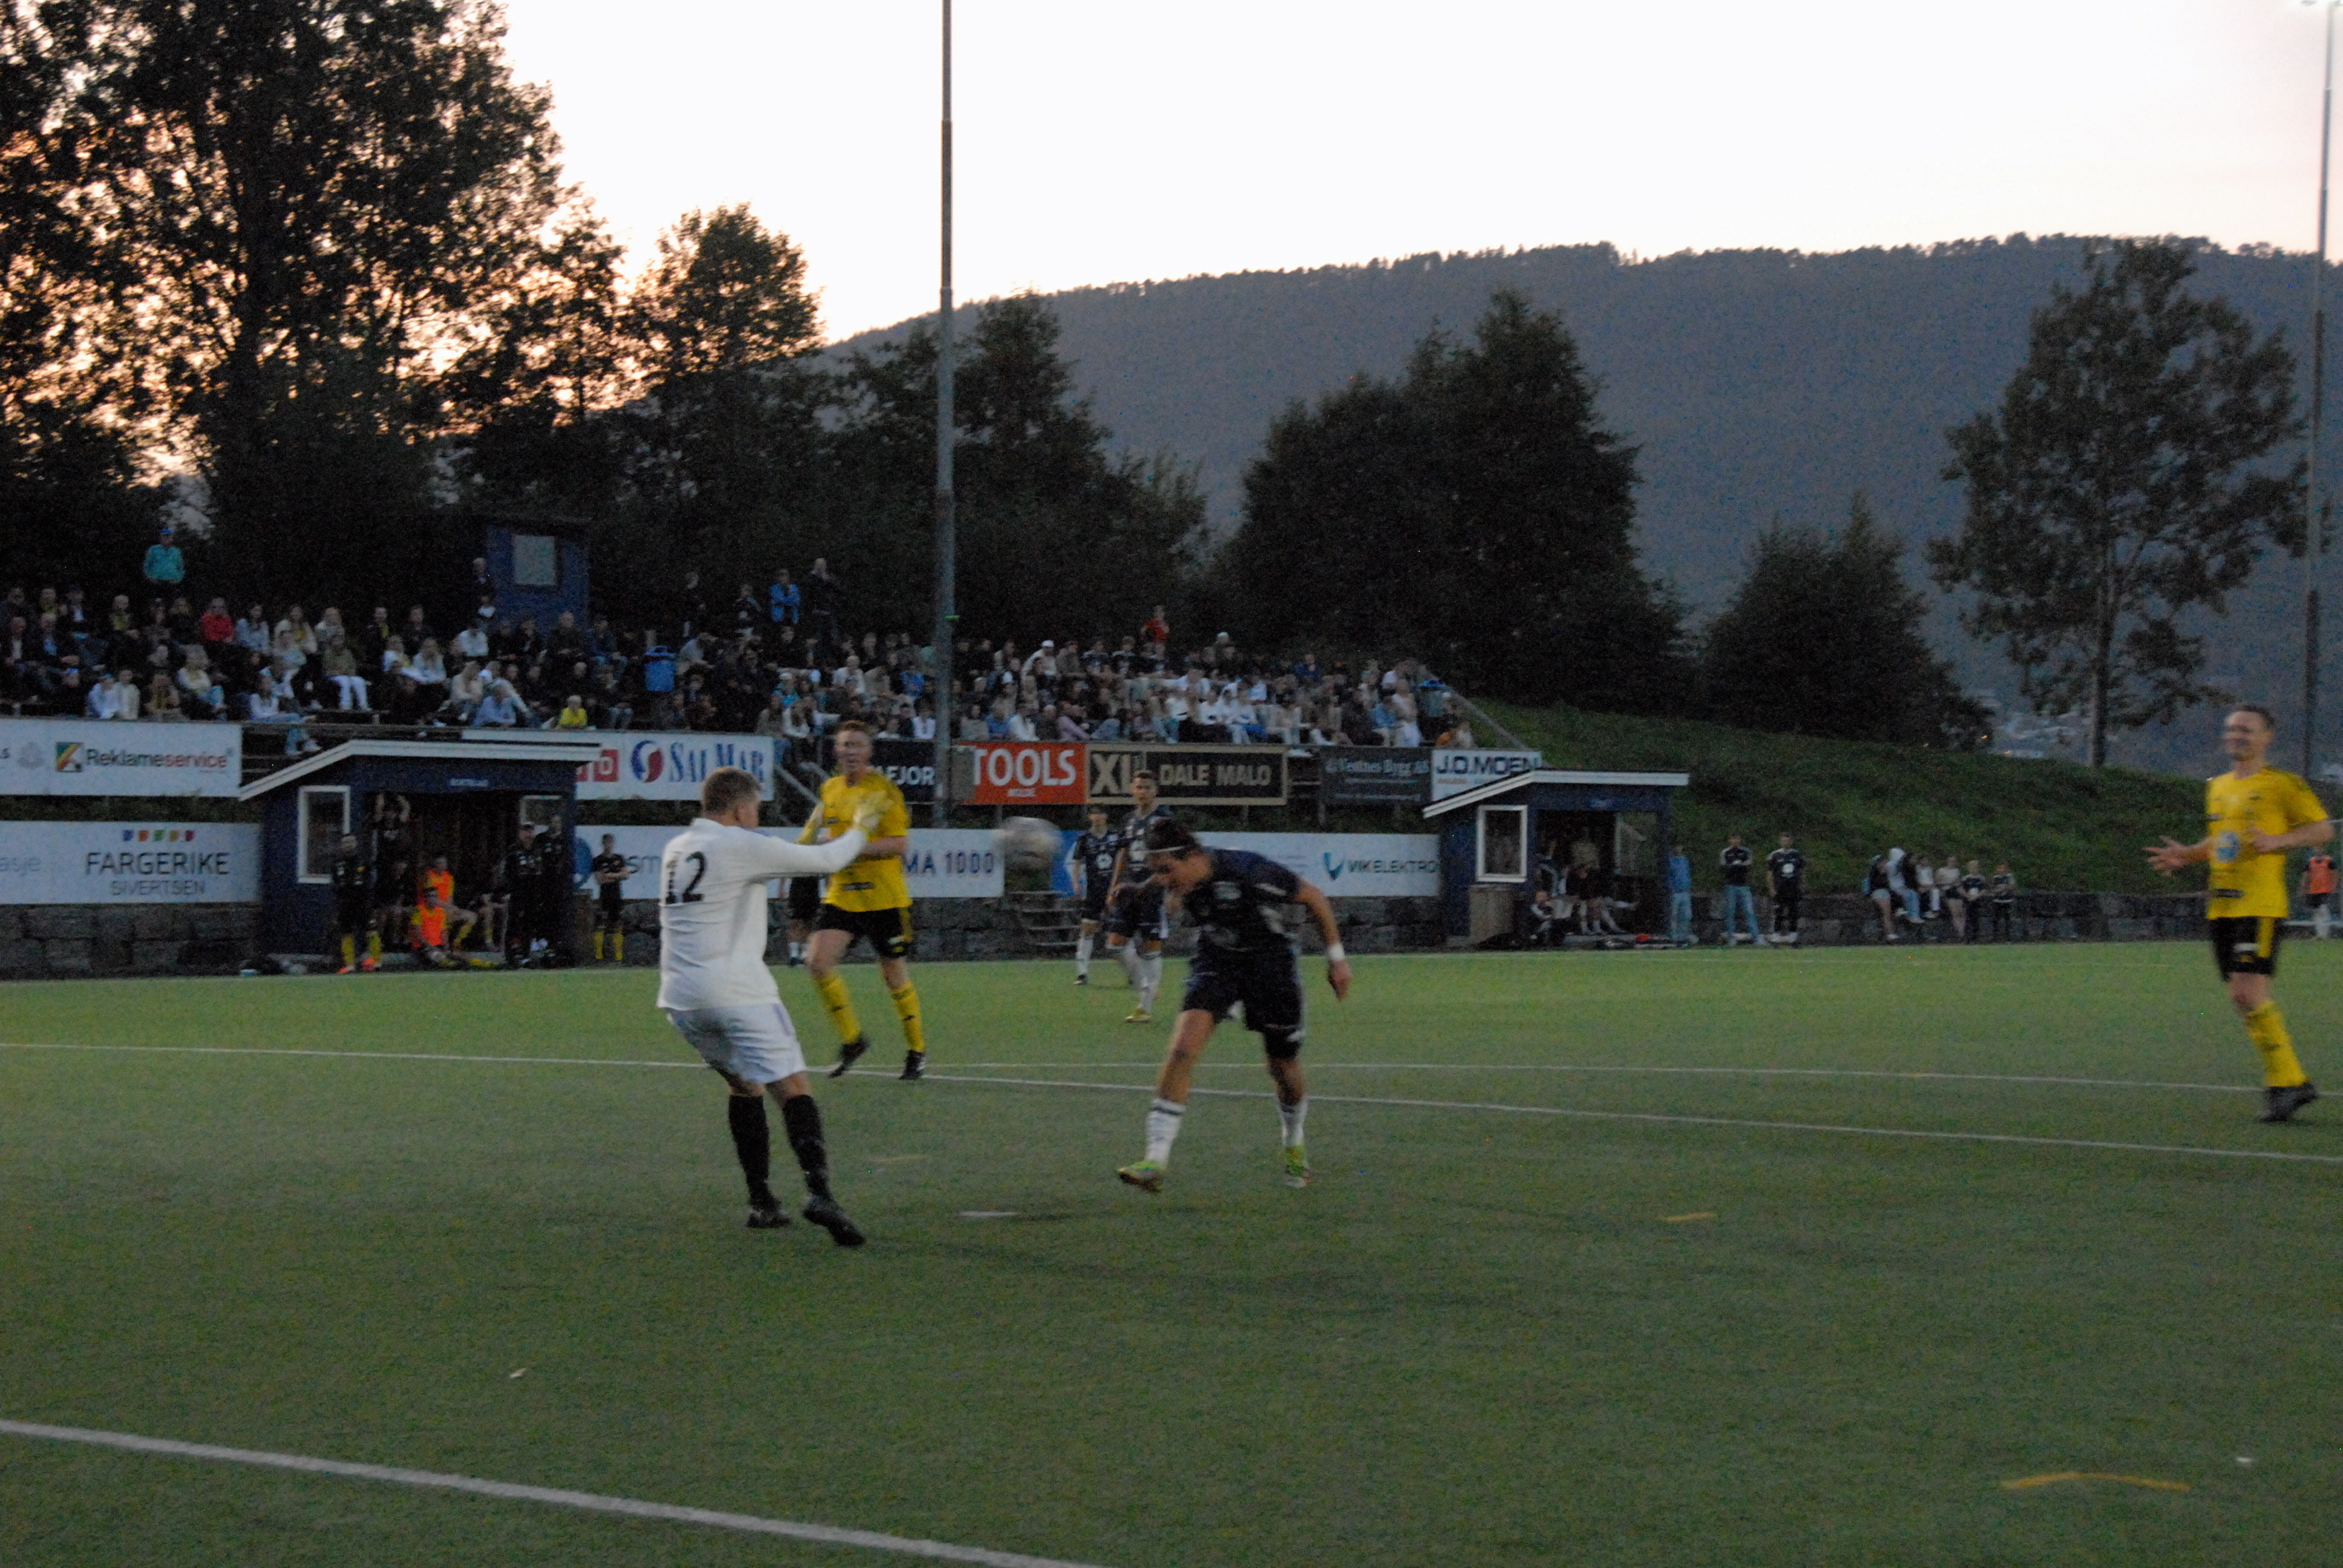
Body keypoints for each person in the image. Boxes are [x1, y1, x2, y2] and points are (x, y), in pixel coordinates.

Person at [658, 763, 883, 1243]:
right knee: (793, 1086)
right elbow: (827, 860)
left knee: (744, 1087)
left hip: (682, 999)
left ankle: (761, 1202)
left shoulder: (677, 848)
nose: (757, 817)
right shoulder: (739, 844)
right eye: (756, 808)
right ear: (741, 809)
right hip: (737, 992)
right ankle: (820, 1192)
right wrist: (863, 826)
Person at [1116, 819, 1352, 1193]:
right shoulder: (1182, 876)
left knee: (1282, 1066)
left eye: (1166, 871)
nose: (1162, 880)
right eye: (1156, 872)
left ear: (1192, 856)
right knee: (1181, 1050)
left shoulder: (1249, 872)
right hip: (1217, 962)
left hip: (1270, 966)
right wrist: (1140, 888)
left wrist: (1336, 960)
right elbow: (1164, 879)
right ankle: (1155, 1160)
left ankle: (1293, 1139)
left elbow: (1314, 897)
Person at [2146, 704, 2333, 1123]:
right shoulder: (2217, 787)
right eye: (2231, 729)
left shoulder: (2282, 784)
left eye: (2246, 729)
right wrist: (2188, 855)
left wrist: (2278, 841)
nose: (2236, 735)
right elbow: (2222, 841)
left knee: (2248, 993)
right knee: (2241, 997)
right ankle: (2290, 1082)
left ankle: (2288, 1083)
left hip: (2259, 905)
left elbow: (2323, 829)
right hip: (2223, 906)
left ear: (2267, 737)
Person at [801, 721, 926, 1080]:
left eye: (857, 745)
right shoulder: (830, 789)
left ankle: (916, 1049)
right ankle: (853, 1040)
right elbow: (817, 834)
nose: (850, 751)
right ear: (836, 751)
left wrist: (849, 848)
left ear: (869, 752)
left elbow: (899, 845)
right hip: (843, 895)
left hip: (884, 898)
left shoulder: (884, 791)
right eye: (845, 745)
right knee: (817, 962)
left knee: (893, 975)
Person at [1103, 769, 1176, 1021]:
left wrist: (1168, 889)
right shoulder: (1128, 820)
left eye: (1147, 787)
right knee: (1114, 945)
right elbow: (1122, 855)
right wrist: (1113, 886)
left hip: (1154, 891)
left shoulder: (1165, 819)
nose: (1142, 792)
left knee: (1150, 948)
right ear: (1132, 790)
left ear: (1156, 791)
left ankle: (1144, 1007)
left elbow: (1171, 858)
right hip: (1128, 891)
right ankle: (1146, 986)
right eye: (1139, 787)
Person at [1068, 803, 1121, 985]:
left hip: (1114, 891)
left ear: (1106, 816)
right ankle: (1082, 974)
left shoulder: (1115, 837)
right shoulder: (1084, 839)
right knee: (1087, 930)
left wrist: (1118, 884)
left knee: (1121, 932)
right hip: (1093, 891)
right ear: (1090, 817)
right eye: (1094, 814)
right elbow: (1077, 863)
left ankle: (1133, 971)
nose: (1097, 817)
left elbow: (1122, 861)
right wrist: (1076, 884)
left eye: (1101, 813)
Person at [366, 794, 412, 967]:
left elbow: (406, 808)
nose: (390, 815)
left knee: (398, 912)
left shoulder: (399, 823)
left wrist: (398, 798)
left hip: (396, 858)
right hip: (383, 864)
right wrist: (381, 796)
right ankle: (379, 944)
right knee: (382, 913)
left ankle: (395, 942)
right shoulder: (380, 824)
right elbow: (378, 811)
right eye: (388, 812)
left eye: (393, 812)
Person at [497, 820, 545, 967]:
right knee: (514, 924)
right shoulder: (513, 851)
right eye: (525, 831)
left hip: (533, 894)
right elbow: (504, 873)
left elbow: (540, 873)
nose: (528, 834)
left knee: (529, 925)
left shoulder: (537, 850)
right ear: (520, 833)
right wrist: (506, 892)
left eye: (531, 831)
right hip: (517, 893)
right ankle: (510, 957)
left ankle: (525, 955)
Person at [330, 833, 372, 973]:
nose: (348, 845)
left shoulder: (363, 861)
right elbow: (336, 884)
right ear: (341, 845)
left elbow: (367, 882)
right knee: (346, 932)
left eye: (351, 842)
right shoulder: (337, 863)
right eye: (345, 842)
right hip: (344, 904)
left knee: (366, 931)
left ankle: (368, 961)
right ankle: (349, 963)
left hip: (361, 903)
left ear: (356, 843)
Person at [591, 833, 629, 962]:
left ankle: (618, 956)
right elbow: (600, 880)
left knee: (617, 925)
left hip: (617, 896)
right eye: (606, 843)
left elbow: (626, 875)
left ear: (613, 844)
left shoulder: (619, 858)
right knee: (601, 925)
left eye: (611, 843)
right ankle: (598, 956)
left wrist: (610, 875)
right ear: (603, 844)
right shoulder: (598, 860)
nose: (609, 845)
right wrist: (617, 876)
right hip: (605, 896)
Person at [1765, 833, 1806, 947]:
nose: (1786, 843)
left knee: (1793, 913)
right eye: (1784, 841)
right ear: (1780, 842)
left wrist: (1802, 886)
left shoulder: (1797, 855)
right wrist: (1772, 889)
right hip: (1780, 889)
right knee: (1779, 913)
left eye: (1788, 841)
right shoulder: (1774, 855)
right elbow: (1770, 874)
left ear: (1791, 842)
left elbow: (1802, 872)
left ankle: (1793, 938)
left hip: (1793, 889)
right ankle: (1776, 938)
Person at [1718, 835, 1759, 946]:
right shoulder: (1725, 853)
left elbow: (1749, 864)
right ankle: (1731, 938)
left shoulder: (1745, 852)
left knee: (1749, 912)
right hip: (1730, 886)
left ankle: (1756, 938)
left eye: (1737, 839)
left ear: (1740, 840)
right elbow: (1724, 867)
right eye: (1733, 839)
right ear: (1730, 840)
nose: (1735, 841)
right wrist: (1737, 865)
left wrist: (1737, 865)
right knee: (1730, 912)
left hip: (1744, 886)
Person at [2303, 846, 2336, 940]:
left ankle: (2325, 933)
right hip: (2314, 890)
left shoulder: (2329, 861)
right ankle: (2320, 934)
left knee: (2323, 910)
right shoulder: (2310, 862)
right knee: (2317, 912)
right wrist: (2305, 887)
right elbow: (2306, 876)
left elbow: (2334, 875)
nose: (2319, 850)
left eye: (2321, 848)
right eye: (2317, 848)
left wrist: (2333, 887)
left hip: (2325, 890)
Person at [1665, 843, 1693, 942]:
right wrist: (1671, 889)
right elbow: (1668, 876)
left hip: (1685, 891)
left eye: (1680, 846)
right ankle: (1673, 937)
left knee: (1686, 916)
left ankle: (1683, 937)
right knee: (1674, 915)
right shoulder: (1670, 861)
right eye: (1676, 846)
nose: (1678, 848)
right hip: (1675, 892)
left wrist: (1689, 887)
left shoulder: (1685, 860)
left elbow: (1687, 874)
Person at [1958, 860, 1988, 944]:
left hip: (1978, 901)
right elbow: (1961, 889)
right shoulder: (1966, 878)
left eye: (1976, 868)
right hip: (1968, 901)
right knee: (1968, 919)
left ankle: (1975, 938)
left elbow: (1984, 889)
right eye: (1972, 868)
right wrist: (1968, 896)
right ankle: (1967, 938)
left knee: (1976, 919)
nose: (1974, 870)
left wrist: (1977, 896)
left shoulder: (1981, 878)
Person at [1988, 862, 2018, 941]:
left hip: (2008, 901)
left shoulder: (2010, 877)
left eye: (2004, 868)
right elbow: (1992, 889)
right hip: (1997, 901)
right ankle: (1995, 937)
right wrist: (1996, 890)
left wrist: (2004, 888)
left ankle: (2008, 937)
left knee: (2008, 919)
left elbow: (2013, 886)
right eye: (2000, 868)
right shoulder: (1995, 878)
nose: (2002, 870)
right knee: (1996, 919)